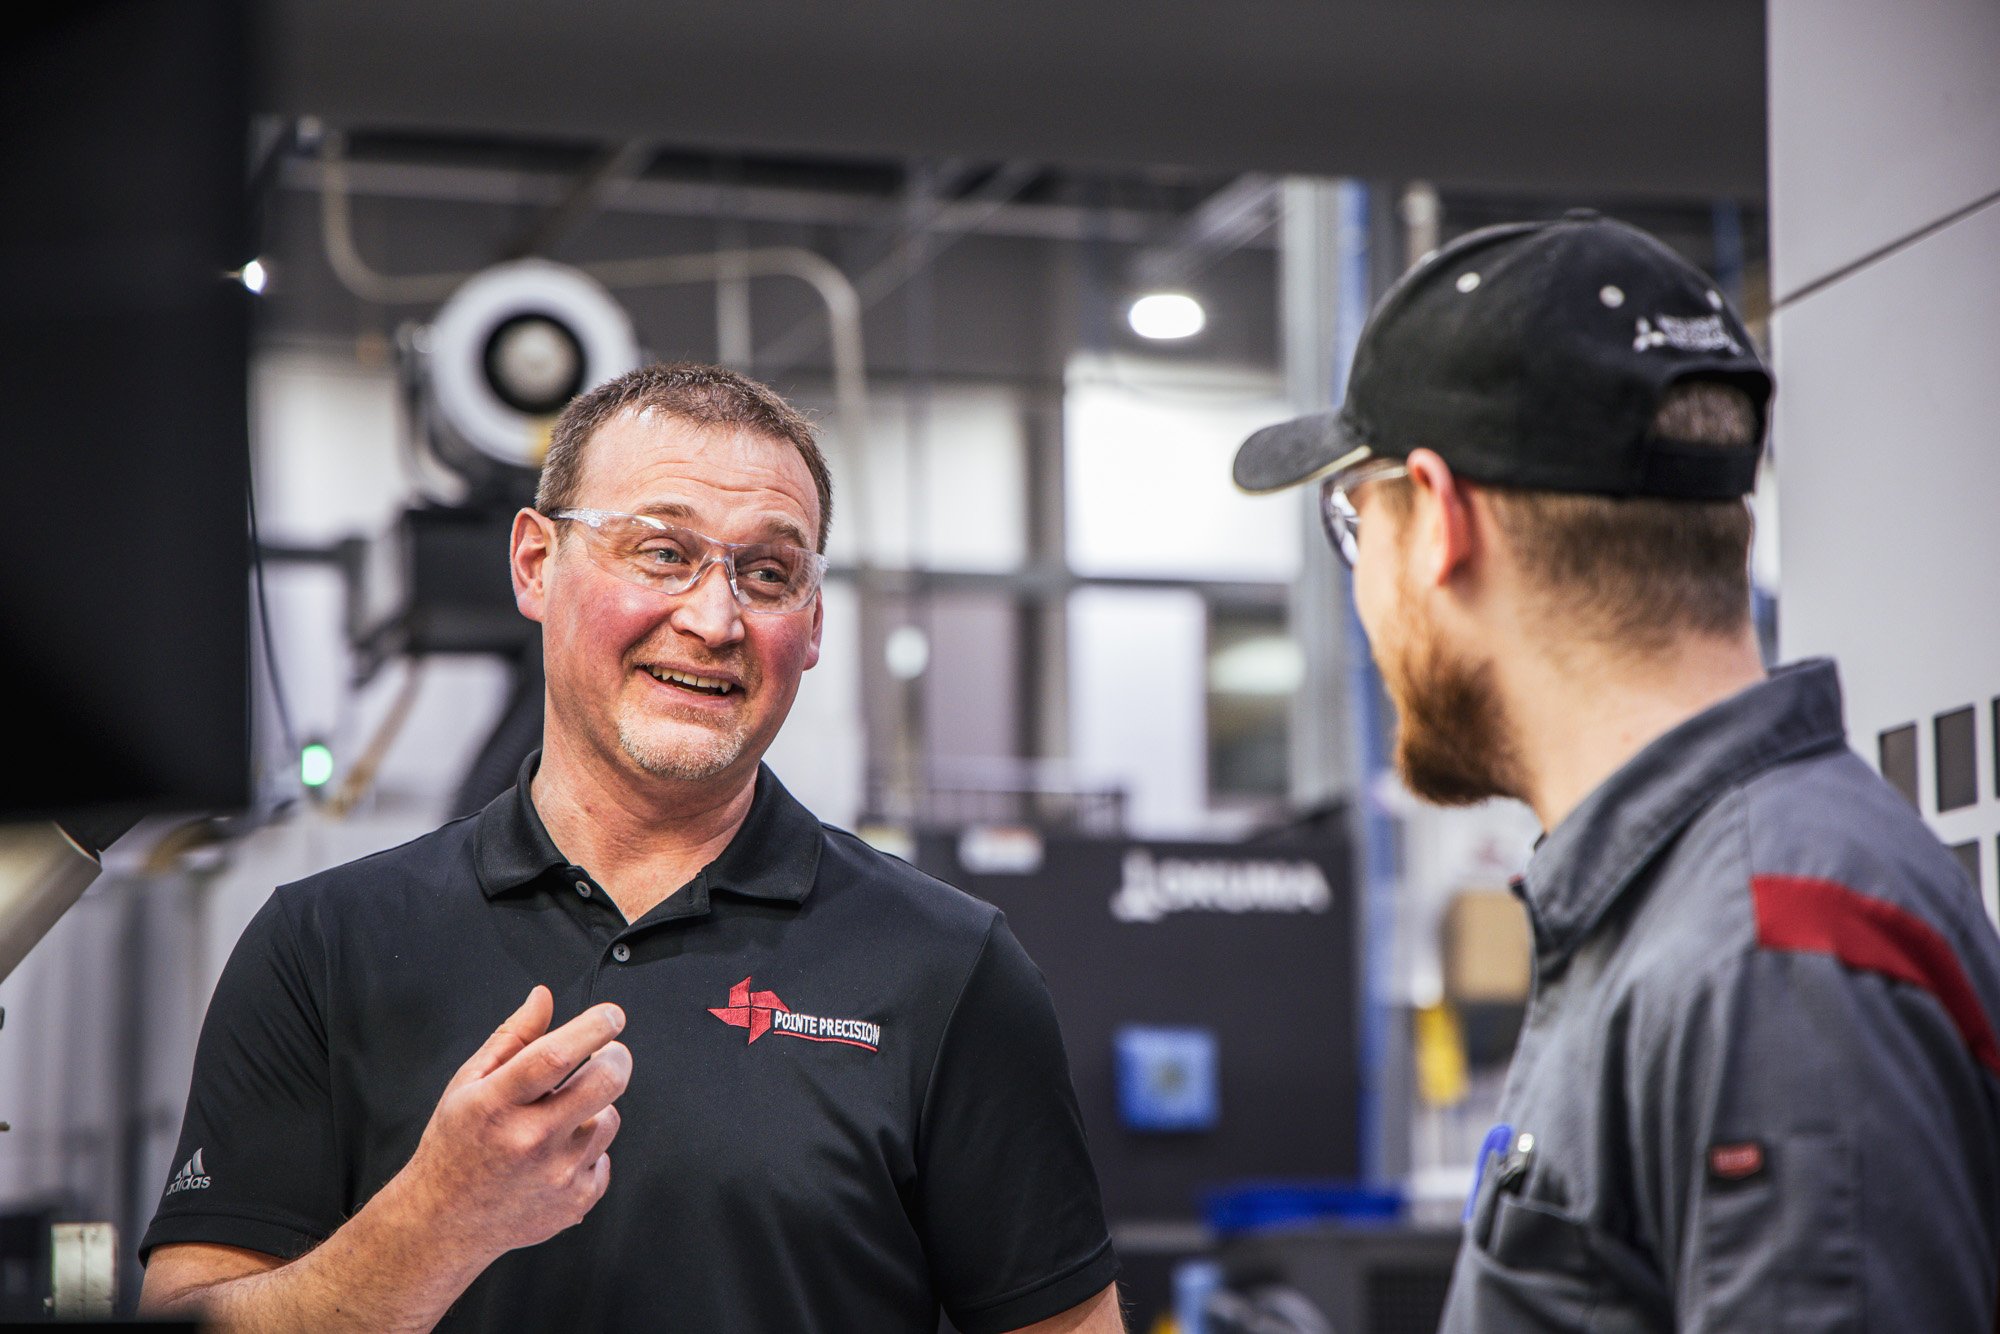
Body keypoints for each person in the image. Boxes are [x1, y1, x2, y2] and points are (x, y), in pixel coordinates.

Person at [140, 364, 1124, 1334]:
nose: (713, 618)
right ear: (534, 562)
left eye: (769, 572)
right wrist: (435, 1218)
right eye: (662, 552)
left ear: (813, 621)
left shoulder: (946, 967)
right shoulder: (323, 944)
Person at [1233, 212, 2000, 1329]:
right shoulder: (1677, 911)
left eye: (1358, 520)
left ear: (1440, 520)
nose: (1360, 593)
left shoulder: (1765, 949)